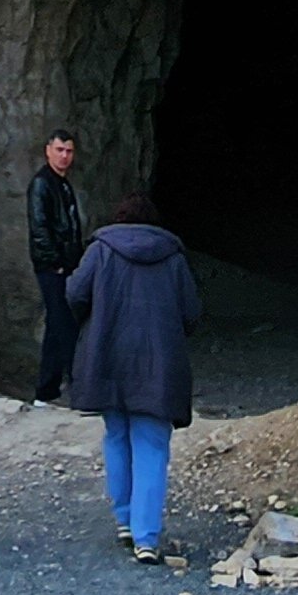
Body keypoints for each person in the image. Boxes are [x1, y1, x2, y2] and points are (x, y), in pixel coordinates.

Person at [63, 193, 201, 565]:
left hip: (108, 358)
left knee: (117, 435)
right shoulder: (172, 258)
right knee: (152, 446)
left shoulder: (101, 250)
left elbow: (74, 293)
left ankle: (124, 518)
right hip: (158, 364)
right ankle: (146, 537)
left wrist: (95, 323)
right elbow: (192, 312)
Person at [25, 127, 85, 403]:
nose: (64, 156)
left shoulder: (61, 184)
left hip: (65, 265)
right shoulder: (42, 184)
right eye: (59, 150)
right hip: (53, 267)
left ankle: (45, 391)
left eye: (69, 151)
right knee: (66, 327)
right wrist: (55, 263)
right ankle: (81, 391)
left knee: (56, 326)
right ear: (48, 150)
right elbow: (39, 228)